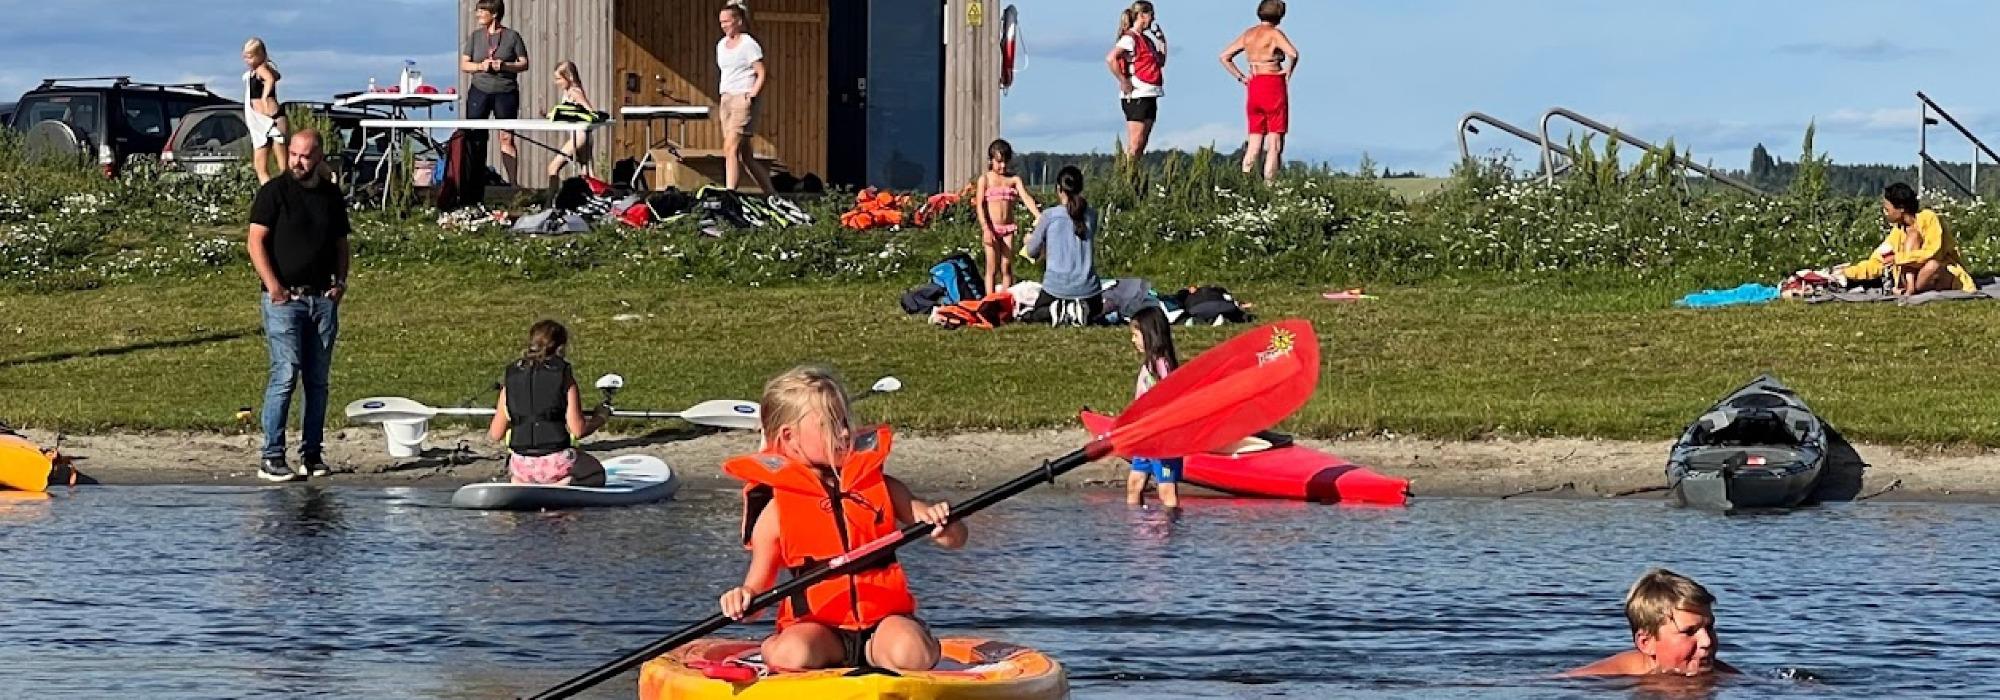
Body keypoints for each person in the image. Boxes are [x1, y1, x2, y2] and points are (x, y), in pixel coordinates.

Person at [718, 367, 966, 671]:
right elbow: (757, 588)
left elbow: (956, 538)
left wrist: (944, 525)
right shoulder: (776, 513)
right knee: (793, 654)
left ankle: (917, 642)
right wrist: (743, 599)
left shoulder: (883, 488)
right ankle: (771, 648)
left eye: (845, 421)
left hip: (882, 626)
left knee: (911, 654)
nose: (846, 433)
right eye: (831, 425)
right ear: (789, 437)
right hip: (820, 633)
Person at [248, 130, 350, 483]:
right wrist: (273, 286)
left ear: (319, 157)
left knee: (318, 380)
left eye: (305, 156)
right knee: (286, 372)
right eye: (293, 154)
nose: (297, 162)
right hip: (284, 299)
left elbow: (341, 243)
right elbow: (255, 241)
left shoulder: (330, 196)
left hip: (321, 298)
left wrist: (340, 283)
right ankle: (272, 455)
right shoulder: (274, 192)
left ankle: (312, 452)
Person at [486, 320, 609, 486]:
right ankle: (565, 483)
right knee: (598, 474)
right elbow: (578, 430)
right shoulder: (563, 376)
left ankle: (520, 482)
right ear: (560, 347)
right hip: (556, 460)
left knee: (521, 472)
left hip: (521, 464)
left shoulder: (511, 379)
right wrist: (600, 417)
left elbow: (495, 434)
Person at [1563, 568, 1740, 677]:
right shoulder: (1601, 678)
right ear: (1646, 643)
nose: (1707, 641)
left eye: (1709, 627)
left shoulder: (1722, 675)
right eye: (1689, 632)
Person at [1831, 182, 1976, 295]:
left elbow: (1932, 253)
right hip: (1913, 278)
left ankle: (1911, 289)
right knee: (1913, 238)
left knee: (1933, 265)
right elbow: (1877, 261)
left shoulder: (1929, 218)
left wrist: (1898, 259)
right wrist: (1848, 272)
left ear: (1901, 208)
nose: (1884, 213)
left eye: (1887, 209)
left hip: (1937, 272)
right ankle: (1910, 287)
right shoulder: (1898, 231)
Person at [1220, 0, 1300, 184]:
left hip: (1254, 84)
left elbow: (1224, 56)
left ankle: (1245, 184)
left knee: (1254, 140)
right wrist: (1289, 71)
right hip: (1273, 84)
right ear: (1280, 16)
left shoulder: (1249, 34)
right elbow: (1293, 54)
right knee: (1275, 142)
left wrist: (1241, 77)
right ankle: (1269, 186)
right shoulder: (1274, 34)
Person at [460, 0, 529, 185]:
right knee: (476, 137)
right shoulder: (475, 37)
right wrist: (480, 66)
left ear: (495, 13)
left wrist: (505, 65)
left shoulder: (513, 37)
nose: (478, 15)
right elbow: (464, 64)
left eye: (482, 11)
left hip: (505, 92)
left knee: (506, 137)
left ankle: (513, 184)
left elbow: (524, 63)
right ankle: (474, 181)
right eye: (478, 11)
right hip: (479, 91)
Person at [1024, 166, 1102, 327]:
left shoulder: (1050, 216)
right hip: (1088, 290)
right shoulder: (1092, 215)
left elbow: (1032, 251)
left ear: (1059, 189)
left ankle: (1062, 309)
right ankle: (1076, 309)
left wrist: (1029, 240)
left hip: (1056, 288)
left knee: (1036, 314)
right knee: (1097, 310)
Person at [717, 2, 777, 193]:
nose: (724, 25)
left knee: (730, 148)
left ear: (739, 21)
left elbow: (762, 72)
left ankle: (730, 194)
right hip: (726, 98)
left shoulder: (748, 44)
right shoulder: (721, 45)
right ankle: (771, 194)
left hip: (743, 99)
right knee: (745, 156)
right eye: (721, 22)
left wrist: (752, 95)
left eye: (727, 21)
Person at [1126, 305, 1183, 509]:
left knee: (1166, 490)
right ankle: (1135, 530)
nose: (1133, 340)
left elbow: (1167, 400)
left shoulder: (1162, 366)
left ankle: (1169, 530)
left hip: (1162, 439)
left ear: (1149, 334)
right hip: (1146, 437)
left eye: (1136, 335)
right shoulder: (1149, 365)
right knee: (1134, 484)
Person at [976, 139, 1041, 294]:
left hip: (1008, 229)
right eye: (999, 162)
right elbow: (980, 205)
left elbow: (1026, 198)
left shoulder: (1013, 180)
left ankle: (1005, 300)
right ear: (991, 161)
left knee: (1006, 266)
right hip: (991, 228)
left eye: (1005, 162)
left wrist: (1039, 216)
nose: (1003, 166)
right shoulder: (985, 180)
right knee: (991, 267)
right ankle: (990, 300)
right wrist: (986, 228)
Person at [1105, 1, 1166, 161]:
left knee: (1142, 143)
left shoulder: (1146, 40)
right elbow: (1111, 58)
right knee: (1135, 143)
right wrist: (1123, 80)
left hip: (1150, 93)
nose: (1153, 18)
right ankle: (1126, 177)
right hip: (1137, 94)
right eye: (1151, 14)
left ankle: (1134, 176)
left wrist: (1162, 41)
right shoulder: (1129, 38)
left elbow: (1160, 61)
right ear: (1142, 15)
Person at [545, 60, 600, 187]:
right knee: (587, 174)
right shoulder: (569, 92)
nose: (556, 82)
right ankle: (595, 198)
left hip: (580, 136)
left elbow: (590, 111)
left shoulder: (574, 92)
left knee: (553, 167)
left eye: (559, 79)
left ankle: (551, 201)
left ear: (569, 77)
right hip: (580, 135)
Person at [241, 38, 286, 185]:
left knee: (281, 167)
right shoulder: (259, 70)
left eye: (251, 56)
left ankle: (283, 195)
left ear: (260, 55)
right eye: (246, 56)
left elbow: (271, 79)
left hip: (270, 120)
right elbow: (276, 76)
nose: (247, 60)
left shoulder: (261, 69)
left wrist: (265, 95)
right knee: (261, 166)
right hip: (261, 123)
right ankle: (270, 194)